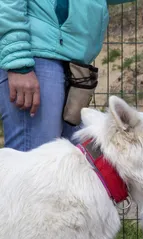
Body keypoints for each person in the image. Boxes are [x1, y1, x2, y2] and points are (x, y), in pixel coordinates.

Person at [0, 0, 135, 151]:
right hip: (36, 56)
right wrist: (18, 61)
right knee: (34, 164)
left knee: (61, 166)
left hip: (72, 61)